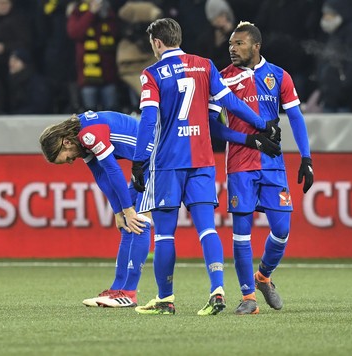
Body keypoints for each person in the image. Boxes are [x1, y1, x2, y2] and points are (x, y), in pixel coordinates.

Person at [129, 18, 280, 315]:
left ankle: (166, 298)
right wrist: (263, 125)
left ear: (157, 43)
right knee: (207, 229)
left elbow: (148, 120)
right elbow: (231, 102)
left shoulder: (151, 74)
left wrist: (138, 161)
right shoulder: (205, 65)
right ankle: (218, 291)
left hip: (168, 163)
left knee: (164, 235)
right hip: (202, 160)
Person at [211, 21, 313, 315]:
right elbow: (212, 127)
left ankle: (263, 276)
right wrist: (249, 139)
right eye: (230, 44)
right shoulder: (223, 78)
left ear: (256, 46)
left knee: (282, 229)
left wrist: (306, 158)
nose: (232, 49)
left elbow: (295, 117)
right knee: (241, 233)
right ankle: (248, 298)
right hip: (240, 164)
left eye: (239, 44)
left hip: (273, 164)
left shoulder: (279, 76)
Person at [39, 110, 152, 308]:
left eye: (66, 158)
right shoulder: (81, 142)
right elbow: (102, 177)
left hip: (159, 161)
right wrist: (119, 212)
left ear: (66, 142)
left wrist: (128, 209)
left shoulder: (88, 135)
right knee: (127, 225)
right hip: (143, 165)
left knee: (139, 220)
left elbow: (113, 170)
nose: (70, 161)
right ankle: (118, 289)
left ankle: (129, 293)